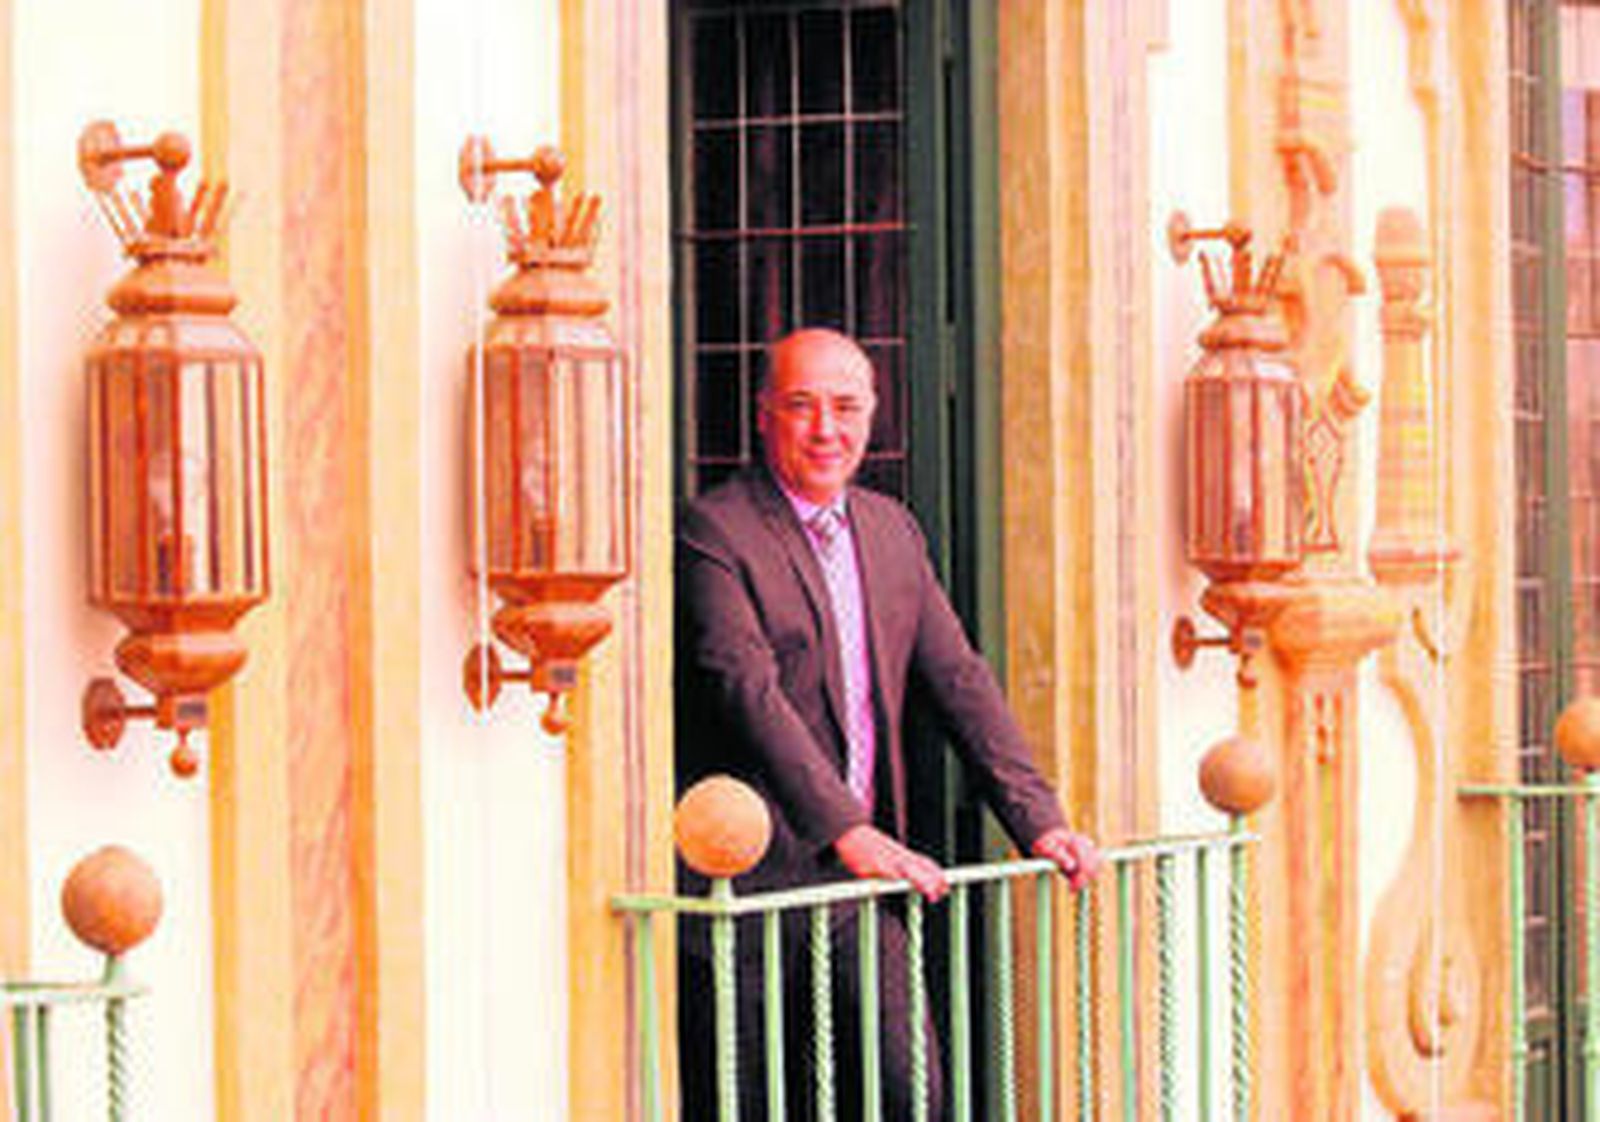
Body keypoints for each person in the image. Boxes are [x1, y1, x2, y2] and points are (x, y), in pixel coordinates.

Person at [676, 327, 1102, 1122]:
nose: (825, 428)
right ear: (764, 414)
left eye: (845, 407)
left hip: (852, 893)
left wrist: (1038, 821)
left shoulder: (890, 530)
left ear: (874, 415)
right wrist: (849, 828)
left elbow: (959, 681)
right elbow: (746, 689)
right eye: (801, 406)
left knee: (911, 1095)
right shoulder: (716, 530)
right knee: (755, 1105)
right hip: (748, 888)